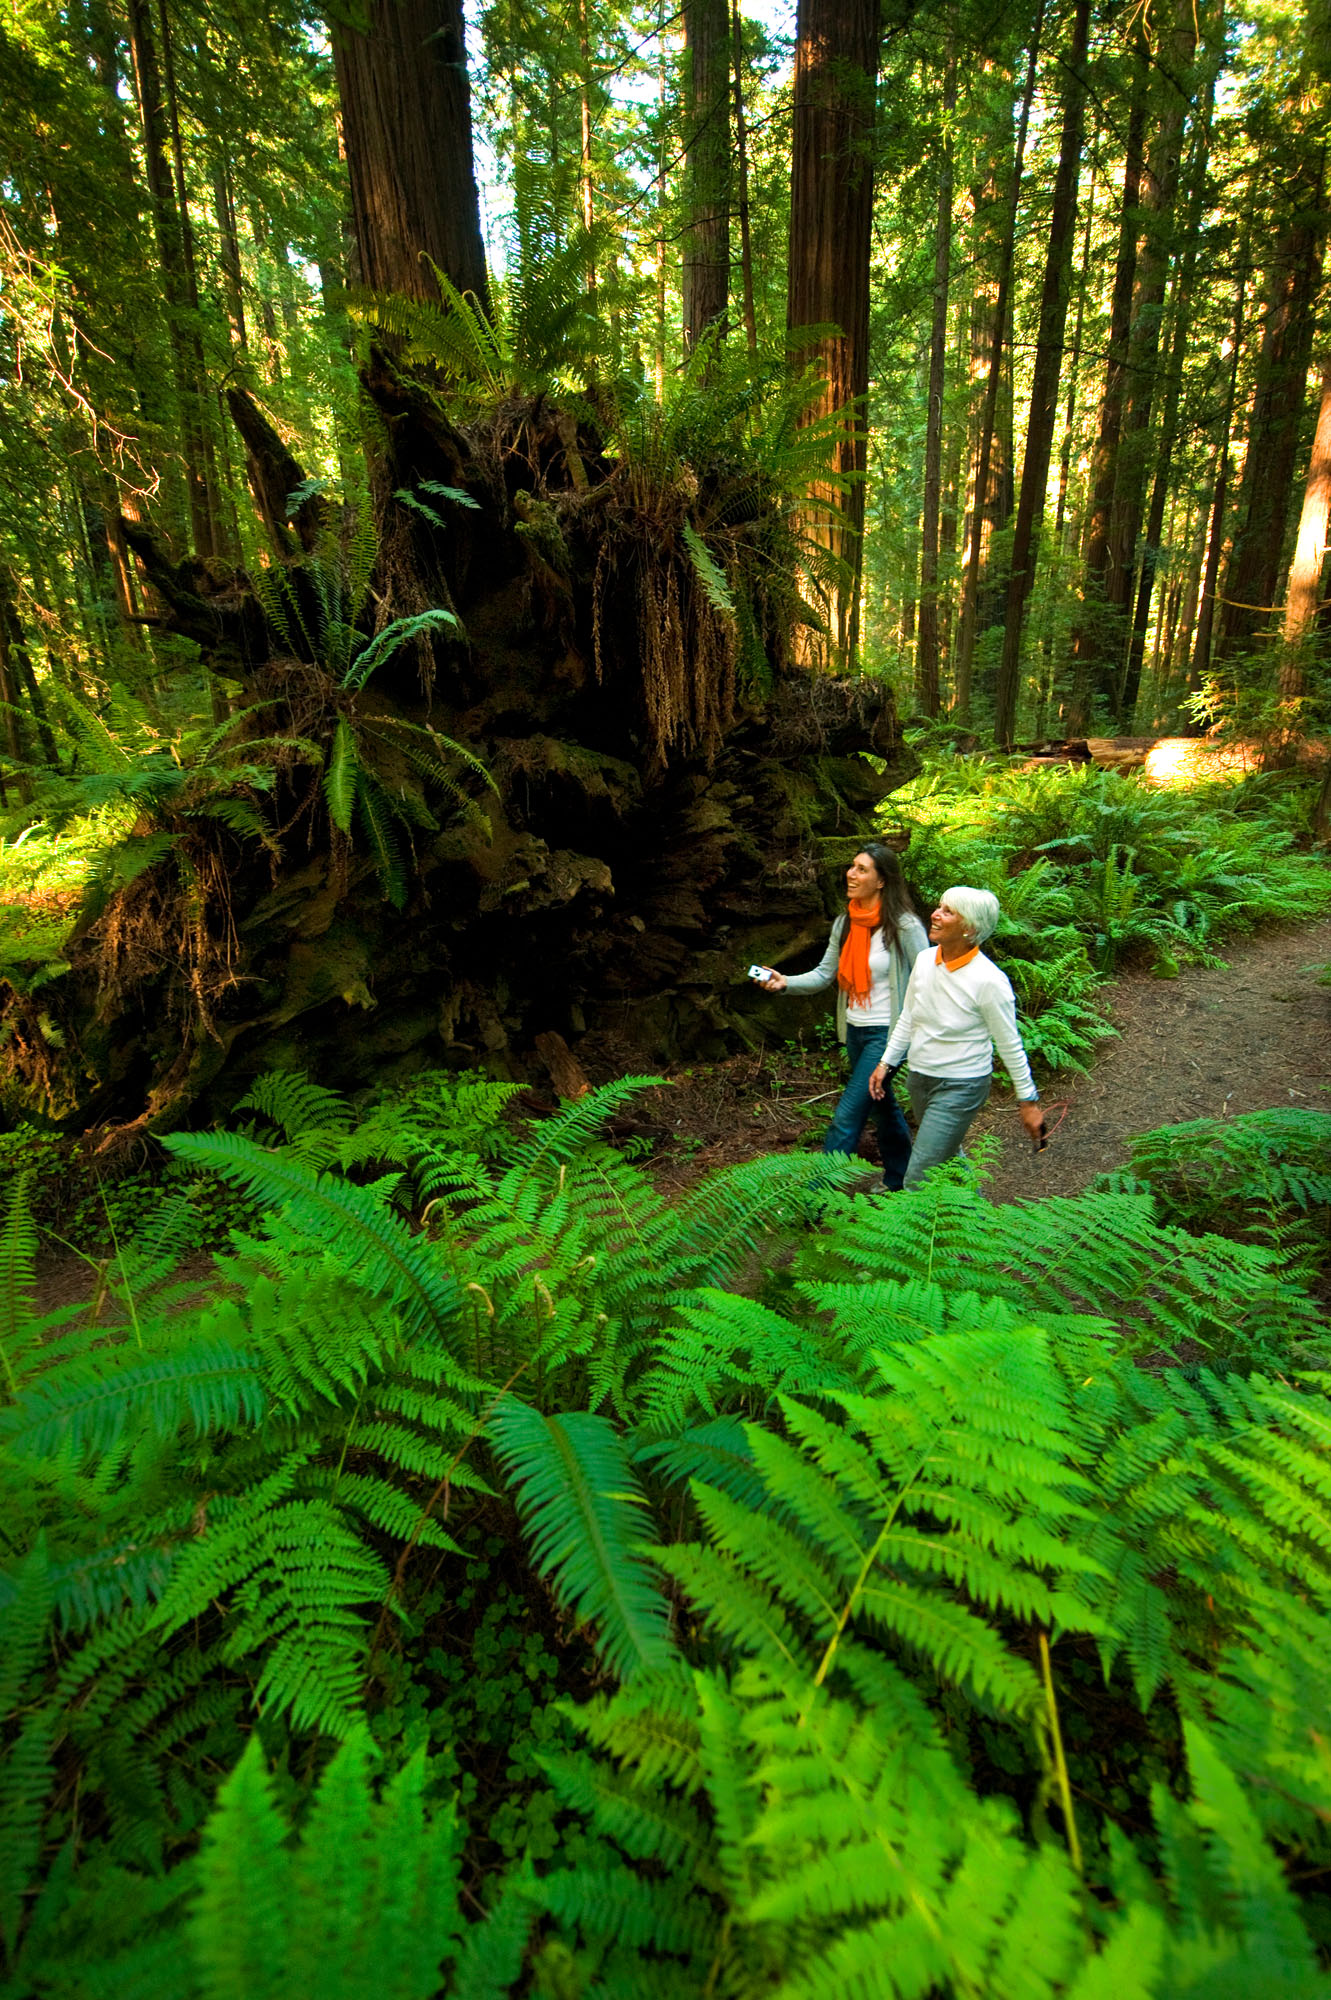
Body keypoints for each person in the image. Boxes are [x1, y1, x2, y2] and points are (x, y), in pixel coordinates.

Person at [757, 844, 928, 1190]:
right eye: (853, 867)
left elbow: (928, 978)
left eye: (862, 870)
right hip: (855, 1032)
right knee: (883, 1109)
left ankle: (816, 1199)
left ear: (882, 881)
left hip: (887, 1035)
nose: (851, 874)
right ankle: (901, 1181)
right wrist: (785, 981)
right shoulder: (845, 923)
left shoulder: (904, 926)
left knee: (847, 1116)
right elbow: (824, 974)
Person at [868, 885, 1043, 1189]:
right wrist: (886, 1063)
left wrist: (1027, 1100)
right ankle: (974, 1218)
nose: (935, 915)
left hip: (962, 1085)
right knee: (946, 1155)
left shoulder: (989, 981)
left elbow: (1009, 1043)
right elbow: (909, 1016)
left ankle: (913, 1232)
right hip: (921, 1079)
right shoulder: (924, 961)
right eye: (939, 907)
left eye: (948, 912)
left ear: (969, 928)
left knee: (918, 1177)